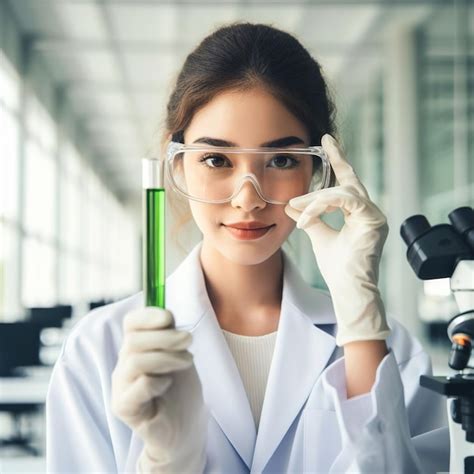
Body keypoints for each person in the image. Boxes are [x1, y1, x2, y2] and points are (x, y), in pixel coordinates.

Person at [46, 23, 449, 473]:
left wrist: (359, 322)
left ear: (320, 171)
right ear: (176, 164)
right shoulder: (97, 349)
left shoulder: (389, 349)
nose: (248, 198)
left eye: (281, 160)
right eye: (216, 159)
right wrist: (165, 461)